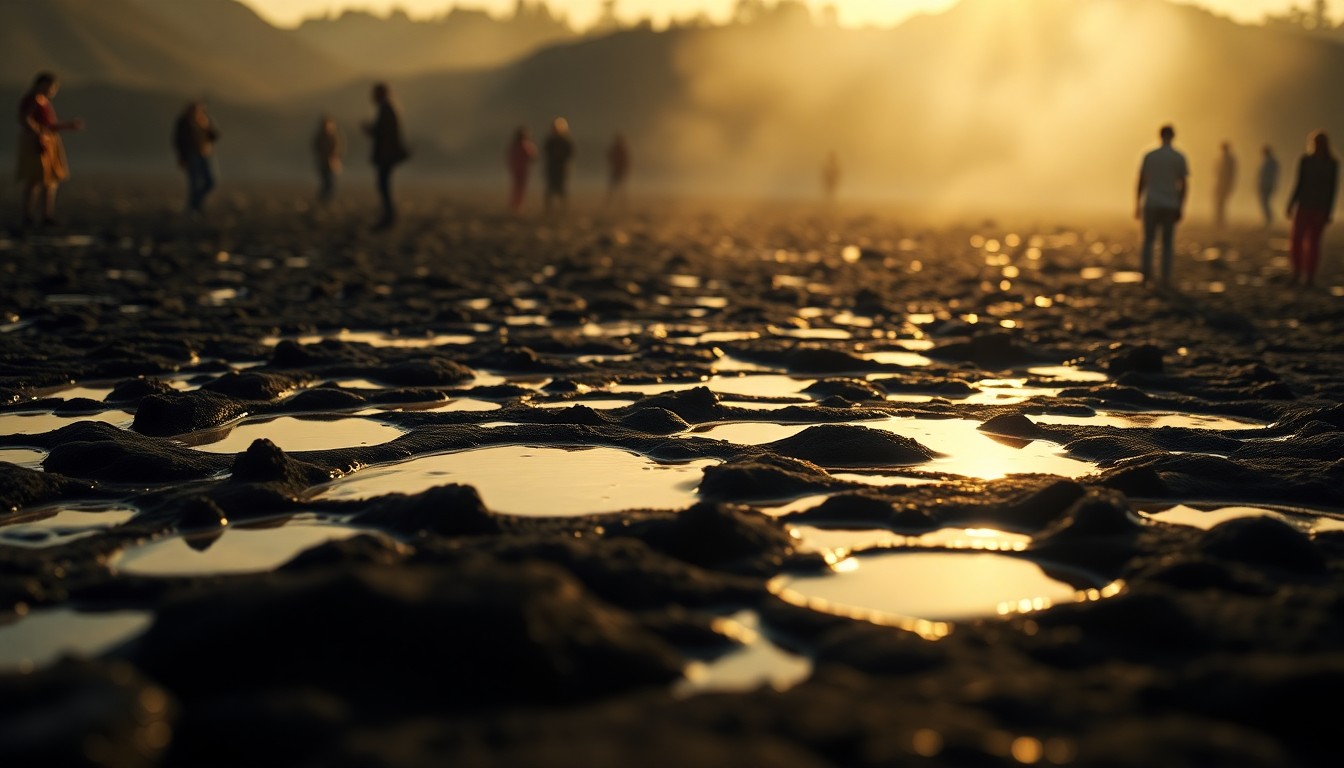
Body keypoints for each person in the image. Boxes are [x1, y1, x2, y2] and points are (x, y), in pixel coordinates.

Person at [14, 72, 83, 228]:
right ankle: (29, 215)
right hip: (37, 142)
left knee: (49, 180)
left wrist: (66, 126)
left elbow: (49, 125)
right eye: (49, 85)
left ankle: (46, 215)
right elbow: (25, 118)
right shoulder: (32, 100)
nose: (51, 89)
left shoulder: (43, 101)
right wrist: (38, 133)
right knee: (34, 180)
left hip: (47, 141)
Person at [1135, 124, 1189, 286]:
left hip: (1151, 202)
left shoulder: (1150, 156)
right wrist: (1181, 206)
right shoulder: (1179, 157)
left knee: (1148, 240)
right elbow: (1184, 185)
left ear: (1160, 135)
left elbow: (1141, 181)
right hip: (1170, 204)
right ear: (1173, 136)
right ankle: (1165, 277)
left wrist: (1137, 203)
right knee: (1167, 243)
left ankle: (1146, 273)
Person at [1285, 131, 1339, 287]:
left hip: (1316, 208)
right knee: (1300, 240)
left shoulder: (1330, 163)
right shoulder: (1308, 161)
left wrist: (1329, 211)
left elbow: (1332, 190)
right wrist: (1291, 203)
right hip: (1307, 206)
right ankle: (1299, 272)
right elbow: (1299, 183)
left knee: (1310, 242)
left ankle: (1307, 275)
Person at [362, 82, 409, 231]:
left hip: (386, 155)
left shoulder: (386, 109)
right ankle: (389, 214)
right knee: (383, 184)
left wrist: (369, 130)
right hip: (387, 154)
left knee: (383, 185)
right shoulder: (389, 108)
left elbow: (383, 133)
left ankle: (389, 215)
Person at [172, 101, 219, 215]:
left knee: (210, 182)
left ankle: (195, 203)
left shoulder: (203, 121)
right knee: (194, 183)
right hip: (192, 155)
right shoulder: (184, 122)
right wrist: (183, 157)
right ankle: (194, 208)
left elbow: (214, 136)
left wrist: (206, 125)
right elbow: (179, 141)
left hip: (205, 154)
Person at [543, 117, 575, 214]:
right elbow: (546, 152)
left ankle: (563, 209)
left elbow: (570, 153)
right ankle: (549, 209)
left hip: (561, 168)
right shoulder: (551, 141)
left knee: (561, 189)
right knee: (550, 189)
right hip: (552, 168)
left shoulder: (565, 141)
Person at [505, 125, 537, 214]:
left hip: (515, 169)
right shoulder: (526, 145)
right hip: (523, 169)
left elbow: (509, 157)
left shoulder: (513, 145)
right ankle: (518, 205)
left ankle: (514, 203)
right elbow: (532, 156)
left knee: (516, 187)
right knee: (521, 188)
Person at [313, 115, 342, 205]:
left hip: (332, 162)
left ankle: (328, 199)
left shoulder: (335, 137)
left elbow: (339, 149)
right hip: (323, 162)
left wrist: (334, 157)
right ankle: (323, 198)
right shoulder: (320, 137)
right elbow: (316, 147)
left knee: (331, 182)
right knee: (325, 181)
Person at [1213, 140, 1236, 228]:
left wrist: (1230, 184)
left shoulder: (1229, 159)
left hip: (1224, 183)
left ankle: (1220, 220)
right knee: (1219, 201)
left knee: (1221, 202)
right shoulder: (1222, 158)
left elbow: (1231, 173)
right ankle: (1219, 219)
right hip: (1220, 182)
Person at [1257, 144, 1279, 227]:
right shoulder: (1266, 161)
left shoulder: (1271, 162)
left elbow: (1270, 175)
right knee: (1264, 202)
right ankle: (1268, 219)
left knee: (1265, 202)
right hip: (1265, 184)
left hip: (1267, 185)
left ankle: (1269, 219)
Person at [606, 132, 630, 206]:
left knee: (619, 188)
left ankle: (621, 202)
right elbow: (609, 156)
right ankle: (611, 201)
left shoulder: (622, 149)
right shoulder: (620, 149)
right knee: (614, 187)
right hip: (617, 170)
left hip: (619, 171)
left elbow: (626, 161)